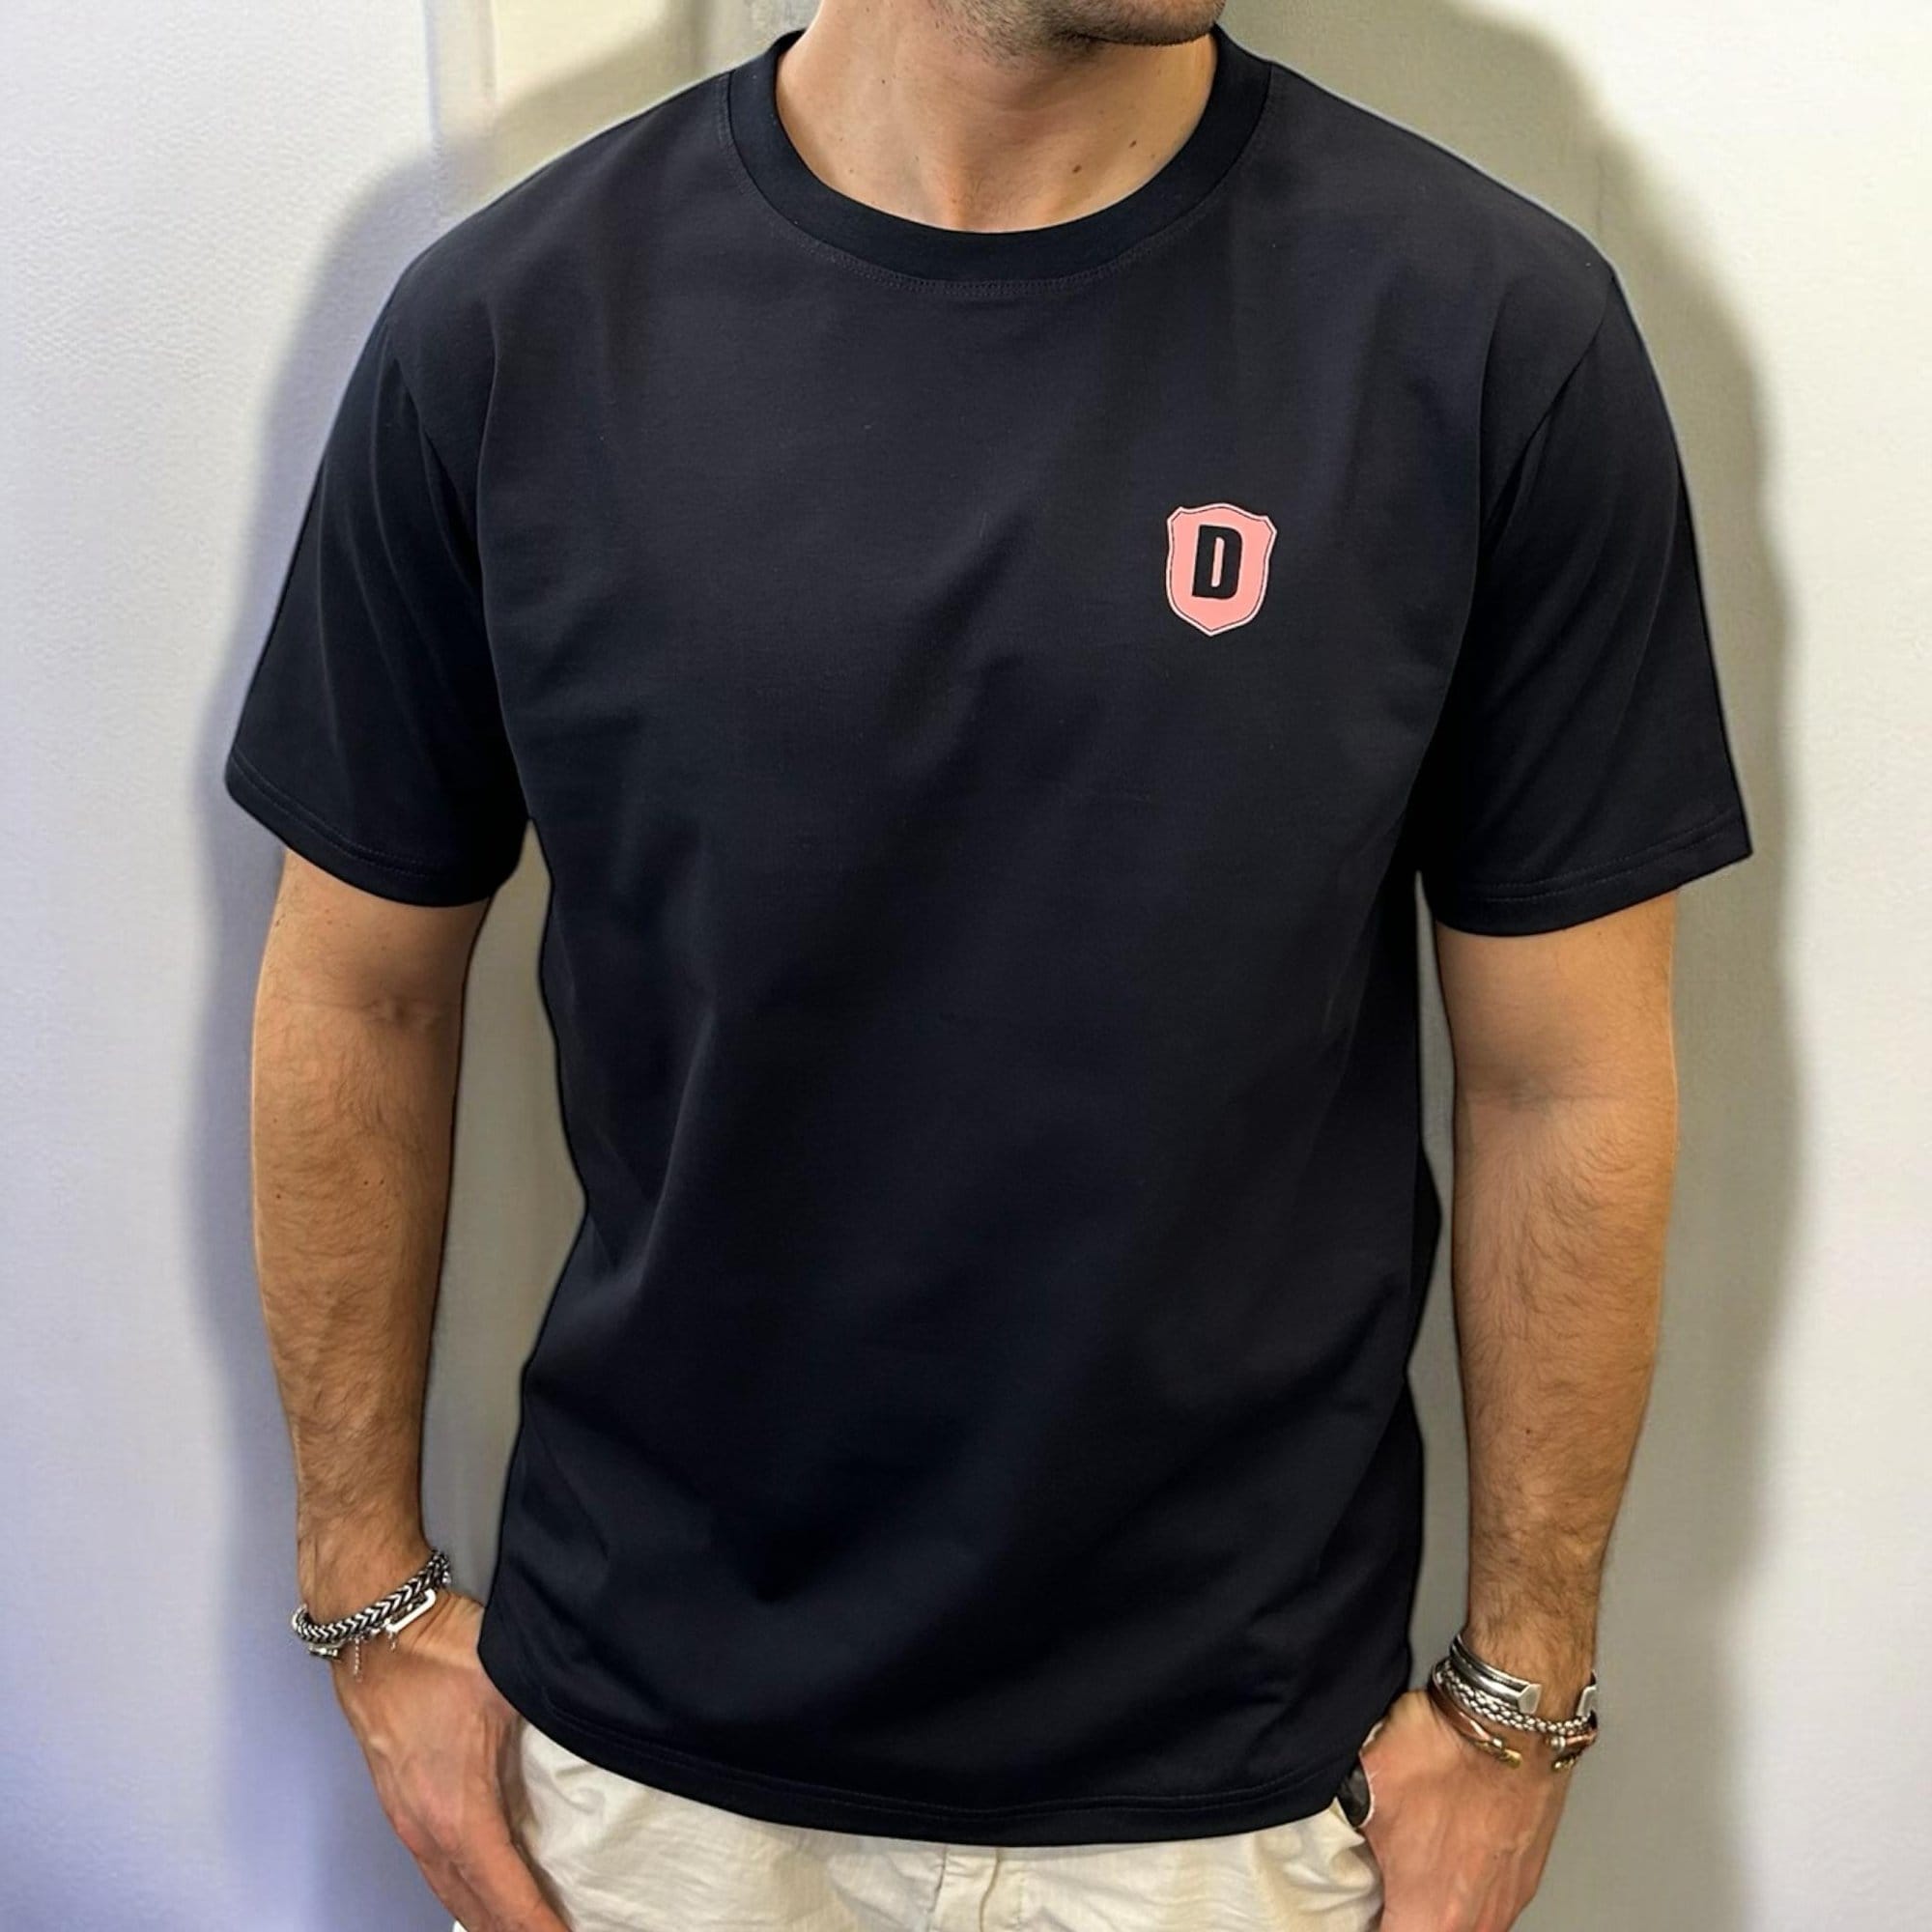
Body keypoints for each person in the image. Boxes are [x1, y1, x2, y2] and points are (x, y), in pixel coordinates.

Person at [222, 4, 1752, 1928]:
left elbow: (1565, 1073)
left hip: (1244, 1791)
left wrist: (1520, 1698)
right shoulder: (515, 328)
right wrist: (363, 1593)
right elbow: (357, 989)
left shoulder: (1485, 329)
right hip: (644, 1782)